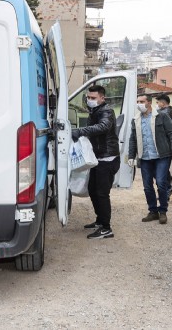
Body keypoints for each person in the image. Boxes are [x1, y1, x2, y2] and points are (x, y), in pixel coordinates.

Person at [71, 85, 121, 240]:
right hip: (97, 158)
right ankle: (100, 221)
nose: (90, 100)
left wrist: (80, 131)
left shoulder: (106, 111)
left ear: (102, 98)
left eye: (93, 98)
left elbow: (103, 126)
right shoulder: (94, 111)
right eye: (88, 98)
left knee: (102, 193)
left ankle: (106, 228)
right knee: (93, 190)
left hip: (107, 159)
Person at [128, 94, 172, 224]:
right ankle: (153, 211)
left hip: (161, 155)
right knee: (147, 186)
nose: (138, 104)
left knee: (161, 183)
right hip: (145, 156)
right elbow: (133, 139)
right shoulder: (135, 120)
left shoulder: (162, 116)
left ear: (149, 103)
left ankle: (163, 211)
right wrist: (131, 156)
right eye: (137, 101)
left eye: (141, 101)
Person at [155, 93, 172, 199]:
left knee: (160, 169)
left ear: (162, 103)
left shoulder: (164, 113)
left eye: (157, 102)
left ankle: (167, 188)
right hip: (169, 145)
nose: (156, 104)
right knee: (163, 169)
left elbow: (169, 131)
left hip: (164, 145)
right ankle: (165, 192)